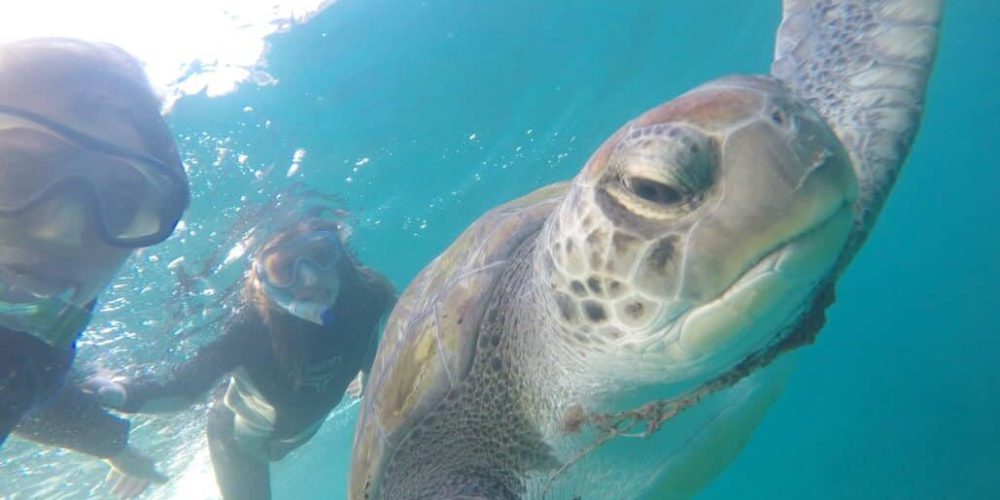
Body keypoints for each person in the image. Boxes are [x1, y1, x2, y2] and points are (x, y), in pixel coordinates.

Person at [0, 37, 190, 495]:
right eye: (15, 172)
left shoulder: (38, 353)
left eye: (120, 203)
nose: (62, 230)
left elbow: (32, 393)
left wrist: (112, 443)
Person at [89, 218, 396, 499]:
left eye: (320, 255)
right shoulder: (247, 334)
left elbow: (373, 333)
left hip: (293, 433)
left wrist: (369, 377)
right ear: (262, 282)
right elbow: (180, 390)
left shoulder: (370, 293)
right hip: (240, 445)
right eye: (284, 269)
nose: (311, 278)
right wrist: (120, 394)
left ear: (338, 257)